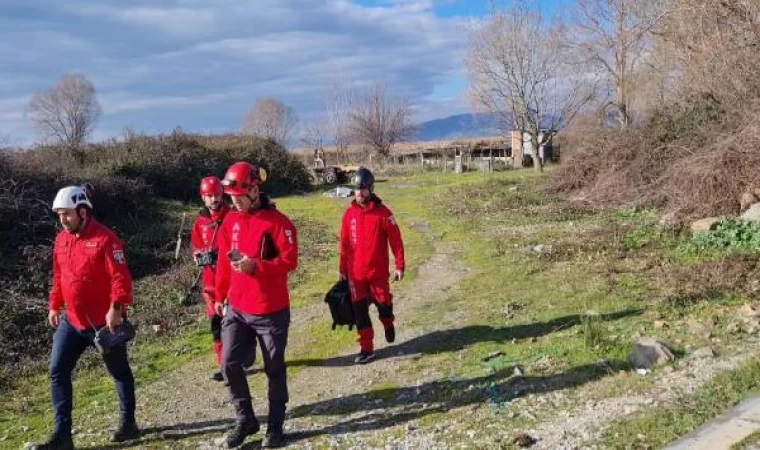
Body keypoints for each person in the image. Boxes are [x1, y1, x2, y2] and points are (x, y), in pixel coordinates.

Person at [33, 185, 138, 450]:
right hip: (72, 321)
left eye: (67, 214)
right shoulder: (61, 239)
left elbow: (120, 277)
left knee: (119, 372)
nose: (63, 220)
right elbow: (59, 277)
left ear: (82, 211)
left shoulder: (106, 239)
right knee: (57, 371)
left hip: (104, 323)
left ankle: (128, 424)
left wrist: (116, 307)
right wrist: (54, 305)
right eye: (59, 215)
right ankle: (62, 437)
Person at [215, 162, 298, 448]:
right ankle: (246, 419)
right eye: (231, 197)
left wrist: (256, 267)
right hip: (237, 308)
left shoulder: (279, 223)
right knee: (228, 363)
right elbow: (224, 263)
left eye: (239, 196)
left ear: (254, 189)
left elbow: (290, 261)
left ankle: (275, 426)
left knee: (273, 369)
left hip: (271, 312)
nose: (234, 202)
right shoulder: (230, 220)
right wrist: (218, 295)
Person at [339, 168, 405, 364]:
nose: (359, 192)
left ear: (371, 189)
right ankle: (366, 349)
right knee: (360, 313)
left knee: (384, 304)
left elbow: (396, 241)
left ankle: (388, 322)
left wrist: (400, 265)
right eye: (356, 189)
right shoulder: (349, 215)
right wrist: (343, 269)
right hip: (355, 275)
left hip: (378, 273)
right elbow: (344, 245)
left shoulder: (384, 214)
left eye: (363, 189)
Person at [191, 176, 238, 382]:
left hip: (232, 282)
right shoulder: (200, 222)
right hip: (210, 284)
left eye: (217, 195)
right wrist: (199, 255)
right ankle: (224, 365)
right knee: (216, 326)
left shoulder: (233, 216)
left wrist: (223, 255)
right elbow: (195, 245)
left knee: (236, 326)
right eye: (209, 196)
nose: (214, 199)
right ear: (203, 197)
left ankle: (237, 360)